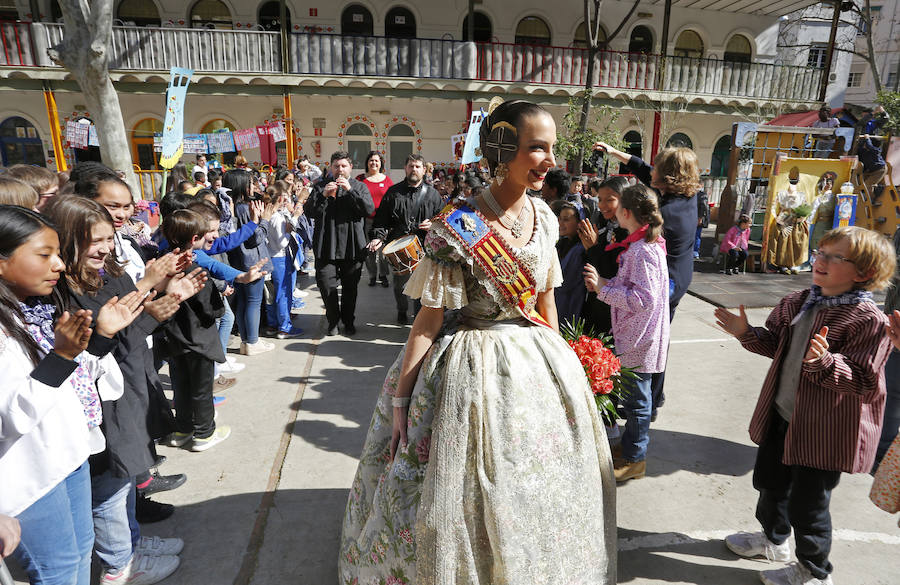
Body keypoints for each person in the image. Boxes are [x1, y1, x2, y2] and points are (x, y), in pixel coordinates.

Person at [339, 99, 616, 584]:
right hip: (468, 368)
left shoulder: (547, 219)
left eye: (552, 148)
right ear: (503, 150)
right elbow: (428, 320)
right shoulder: (458, 224)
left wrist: (568, 375)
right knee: (461, 494)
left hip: (534, 361)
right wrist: (401, 397)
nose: (550, 161)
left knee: (535, 486)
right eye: (537, 148)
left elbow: (545, 305)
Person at [715, 226, 895, 585]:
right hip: (783, 414)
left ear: (864, 273)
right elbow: (775, 346)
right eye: (821, 251)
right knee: (770, 482)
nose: (820, 260)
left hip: (823, 431)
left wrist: (824, 362)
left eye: (834, 256)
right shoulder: (798, 302)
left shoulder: (868, 321)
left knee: (808, 506)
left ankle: (813, 571)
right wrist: (745, 332)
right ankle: (773, 540)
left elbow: (863, 380)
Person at [0, 205, 144, 585]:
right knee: (59, 571)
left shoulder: (33, 311)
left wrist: (100, 338)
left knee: (81, 554)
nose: (59, 266)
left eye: (58, 255)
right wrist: (61, 356)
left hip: (68, 456)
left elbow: (73, 382)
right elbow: (12, 418)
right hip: (30, 477)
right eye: (44, 255)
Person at [594, 141, 700, 420]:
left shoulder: (668, 213)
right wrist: (616, 153)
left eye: (658, 165)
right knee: (659, 338)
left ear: (667, 176)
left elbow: (639, 227)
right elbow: (644, 170)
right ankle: (654, 396)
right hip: (678, 275)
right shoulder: (686, 196)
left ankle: (644, 404)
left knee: (648, 340)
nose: (651, 169)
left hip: (668, 282)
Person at [584, 184, 670, 482]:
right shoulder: (643, 245)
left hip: (639, 338)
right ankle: (633, 448)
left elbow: (642, 300)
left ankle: (636, 458)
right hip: (637, 336)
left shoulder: (643, 250)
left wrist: (602, 288)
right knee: (636, 398)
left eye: (615, 204)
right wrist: (605, 283)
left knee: (637, 401)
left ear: (627, 212)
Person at [159, 209, 231, 452]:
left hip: (175, 338)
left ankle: (182, 428)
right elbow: (213, 310)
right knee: (201, 390)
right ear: (194, 239)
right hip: (199, 339)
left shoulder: (162, 264)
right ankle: (204, 433)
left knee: (180, 386)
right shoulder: (196, 270)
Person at [304, 151, 374, 336]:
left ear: (350, 167)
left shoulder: (359, 186)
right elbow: (309, 212)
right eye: (336, 166)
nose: (340, 170)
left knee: (350, 289)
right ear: (331, 168)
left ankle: (348, 321)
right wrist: (324, 196)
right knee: (326, 286)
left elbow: (368, 209)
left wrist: (350, 191)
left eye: (343, 166)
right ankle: (333, 320)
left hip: (352, 248)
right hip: (326, 247)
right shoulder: (320, 186)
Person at [368, 154, 442, 324]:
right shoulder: (393, 192)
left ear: (424, 170)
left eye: (417, 166)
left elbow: (443, 220)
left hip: (425, 247)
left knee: (423, 287)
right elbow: (381, 219)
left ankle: (418, 318)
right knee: (400, 286)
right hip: (399, 245)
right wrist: (378, 237)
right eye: (411, 166)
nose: (414, 169)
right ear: (405, 168)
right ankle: (402, 309)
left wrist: (434, 225)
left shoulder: (433, 194)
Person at [224, 169, 275, 355]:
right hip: (252, 262)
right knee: (253, 301)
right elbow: (255, 238)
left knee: (243, 302)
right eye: (250, 183)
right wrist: (265, 220)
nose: (254, 187)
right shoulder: (245, 209)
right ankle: (252, 342)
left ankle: (246, 341)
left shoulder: (231, 208)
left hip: (237, 262)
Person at [582, 176, 630, 336]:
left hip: (615, 314)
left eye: (609, 200)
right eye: (600, 199)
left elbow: (614, 272)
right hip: (596, 305)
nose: (602, 205)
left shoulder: (630, 233)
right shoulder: (603, 226)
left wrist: (593, 248)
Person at [357, 150, 394, 287]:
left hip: (383, 222)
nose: (373, 163)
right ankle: (372, 275)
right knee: (369, 251)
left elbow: (392, 200)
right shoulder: (360, 179)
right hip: (366, 221)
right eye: (371, 160)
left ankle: (383, 275)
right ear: (367, 163)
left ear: (381, 163)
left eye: (376, 160)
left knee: (383, 251)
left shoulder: (387, 180)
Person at [553, 201, 589, 326]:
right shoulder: (563, 244)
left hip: (570, 305)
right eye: (560, 219)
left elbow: (565, 282)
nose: (561, 224)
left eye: (566, 219)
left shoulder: (580, 250)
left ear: (580, 223)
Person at [856, 105, 890, 204]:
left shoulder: (873, 123)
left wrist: (882, 112)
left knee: (868, 184)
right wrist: (873, 113)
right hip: (865, 153)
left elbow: (886, 119)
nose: (864, 118)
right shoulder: (861, 124)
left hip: (872, 151)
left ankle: (867, 201)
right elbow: (861, 122)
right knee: (865, 181)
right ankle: (872, 196)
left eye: (865, 116)